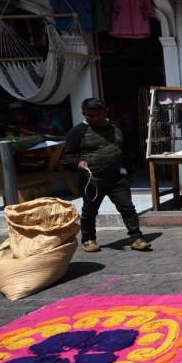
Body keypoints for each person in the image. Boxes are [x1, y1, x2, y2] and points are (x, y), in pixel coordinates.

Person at [63, 98, 150, 253]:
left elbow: (125, 151)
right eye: (90, 116)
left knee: (127, 207)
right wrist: (78, 163)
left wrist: (131, 171)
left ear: (105, 112)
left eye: (98, 115)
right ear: (84, 114)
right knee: (90, 210)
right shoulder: (77, 132)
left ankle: (136, 238)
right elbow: (68, 155)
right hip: (92, 179)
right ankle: (89, 240)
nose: (95, 119)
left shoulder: (116, 127)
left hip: (116, 178)